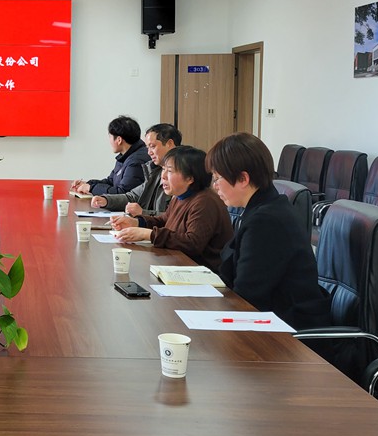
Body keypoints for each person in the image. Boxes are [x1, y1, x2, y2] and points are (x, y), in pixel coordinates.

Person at [206, 133, 332, 329]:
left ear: (243, 179)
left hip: (288, 332)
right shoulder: (264, 207)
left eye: (217, 178)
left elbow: (247, 297)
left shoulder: (266, 221)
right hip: (273, 318)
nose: (214, 187)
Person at [111, 146, 232, 272]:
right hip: (179, 265)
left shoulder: (204, 202)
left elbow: (192, 243)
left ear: (190, 178)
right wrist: (137, 222)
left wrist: (147, 234)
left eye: (169, 171)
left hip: (201, 272)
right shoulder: (180, 197)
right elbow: (164, 221)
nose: (163, 176)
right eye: (163, 169)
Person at [91, 123, 181, 216]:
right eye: (148, 148)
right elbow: (133, 197)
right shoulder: (155, 170)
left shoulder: (182, 175)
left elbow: (174, 218)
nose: (149, 152)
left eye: (153, 146)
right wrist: (106, 200)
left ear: (169, 144)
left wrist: (143, 213)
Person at [70, 115, 150, 195]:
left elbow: (122, 193)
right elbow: (111, 181)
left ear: (119, 140)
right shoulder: (125, 155)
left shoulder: (136, 161)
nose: (109, 141)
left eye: (110, 136)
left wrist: (91, 188)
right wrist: (88, 184)